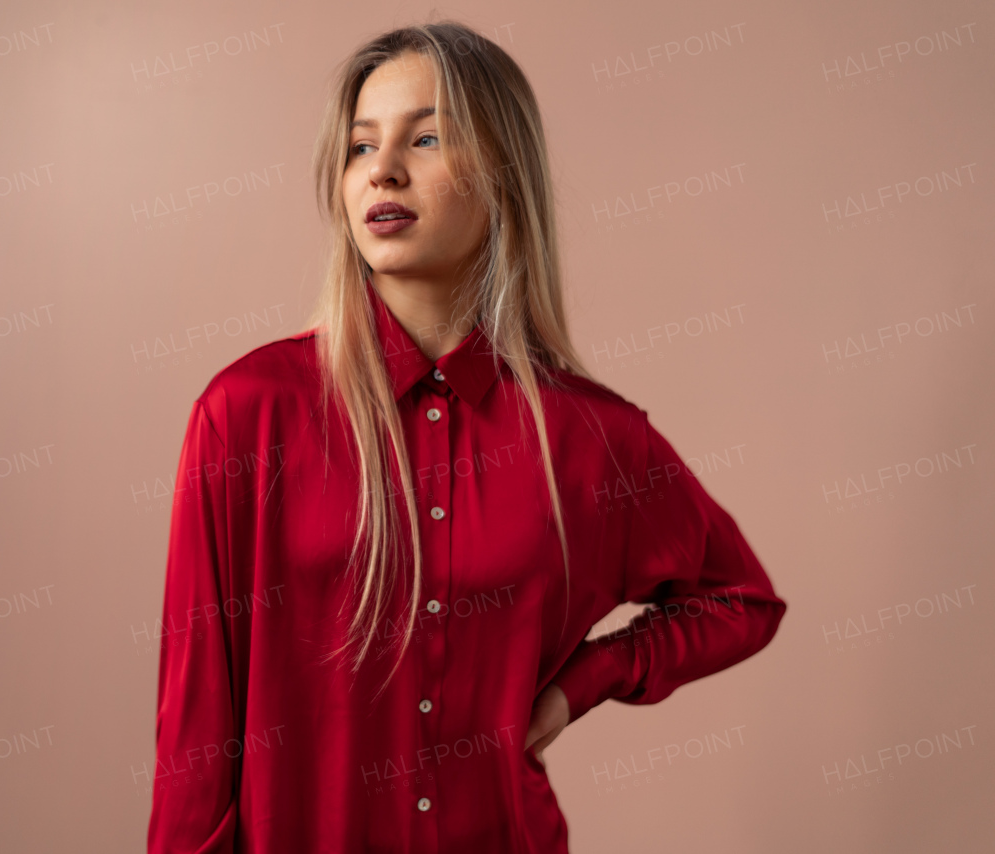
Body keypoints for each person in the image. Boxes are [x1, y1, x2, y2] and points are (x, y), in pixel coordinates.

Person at [147, 20, 785, 854]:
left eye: (427, 137)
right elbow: (195, 735)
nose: (382, 168)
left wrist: (577, 686)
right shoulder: (249, 414)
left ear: (502, 175)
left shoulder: (589, 435)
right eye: (360, 145)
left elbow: (742, 600)